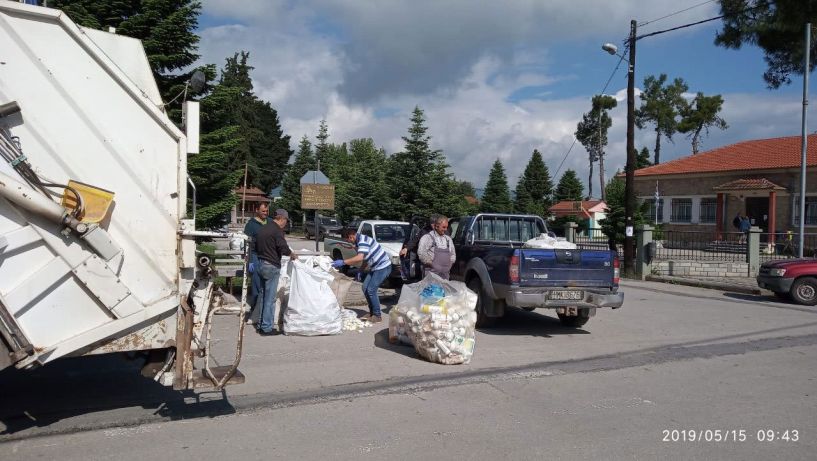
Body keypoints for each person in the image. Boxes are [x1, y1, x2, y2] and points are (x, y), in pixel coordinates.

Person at [332, 227, 392, 323]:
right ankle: (372, 312)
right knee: (365, 288)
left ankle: (377, 315)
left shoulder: (362, 241)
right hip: (375, 268)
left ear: (351, 236)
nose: (348, 241)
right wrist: (360, 270)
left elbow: (360, 257)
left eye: (347, 239)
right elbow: (365, 258)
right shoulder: (358, 242)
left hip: (383, 267)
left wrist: (343, 262)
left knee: (371, 290)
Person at [254, 208, 296, 335]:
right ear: (282, 218)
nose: (285, 224)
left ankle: (261, 324)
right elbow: (282, 247)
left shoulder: (263, 229)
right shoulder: (277, 231)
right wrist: (291, 254)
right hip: (271, 266)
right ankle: (267, 328)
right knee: (270, 299)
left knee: (262, 296)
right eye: (286, 221)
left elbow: (255, 245)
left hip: (260, 264)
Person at [244, 203, 272, 322]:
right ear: (257, 211)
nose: (265, 213)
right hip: (255, 255)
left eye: (266, 211)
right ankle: (254, 308)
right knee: (256, 282)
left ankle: (265, 310)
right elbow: (246, 244)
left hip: (268, 255)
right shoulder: (251, 225)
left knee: (268, 284)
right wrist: (250, 260)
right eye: (263, 211)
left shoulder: (270, 222)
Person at [417, 215, 456, 280]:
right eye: (443, 227)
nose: (446, 229)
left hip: (445, 275)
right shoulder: (427, 238)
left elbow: (453, 254)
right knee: (431, 289)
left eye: (446, 227)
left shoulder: (448, 239)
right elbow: (421, 253)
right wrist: (433, 265)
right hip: (431, 273)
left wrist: (449, 265)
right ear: (436, 226)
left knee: (444, 290)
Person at [399, 216, 432, 282]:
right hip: (424, 256)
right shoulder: (424, 231)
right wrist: (406, 248)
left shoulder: (443, 233)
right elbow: (415, 241)